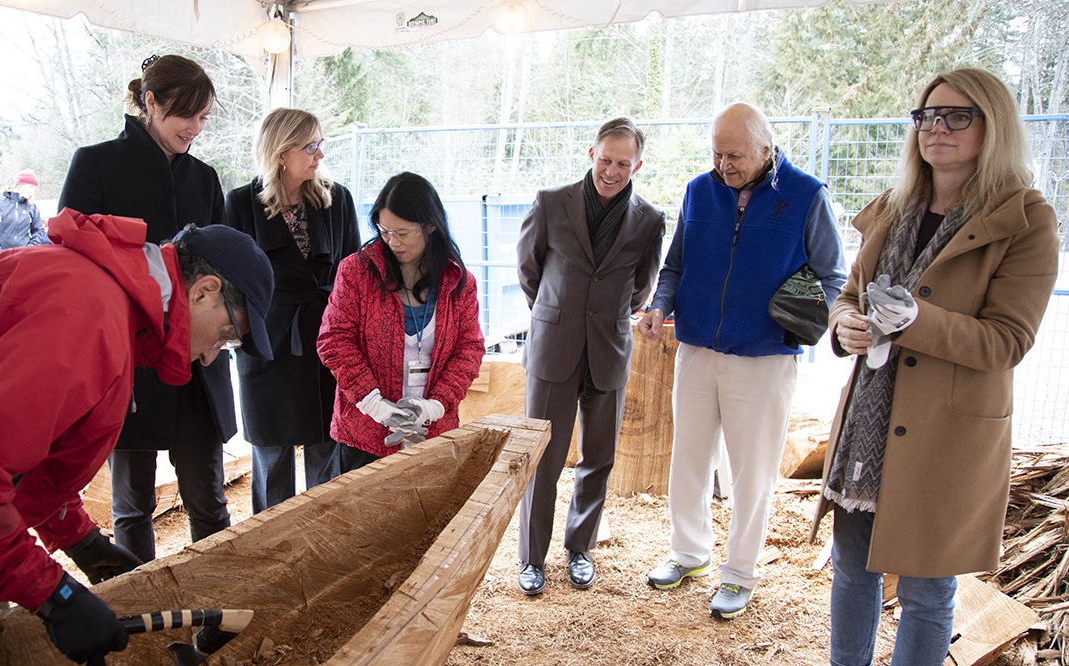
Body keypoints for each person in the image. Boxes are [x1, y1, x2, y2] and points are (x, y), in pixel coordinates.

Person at [775, 69, 1058, 666]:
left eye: (957, 117)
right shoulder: (898, 206)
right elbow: (850, 292)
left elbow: (1009, 341)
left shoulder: (1025, 219)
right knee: (852, 562)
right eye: (927, 116)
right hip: (870, 420)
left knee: (929, 587)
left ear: (993, 126)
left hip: (945, 432)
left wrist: (913, 323)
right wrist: (845, 323)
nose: (936, 128)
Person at [0, 211, 275, 666]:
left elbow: (27, 455)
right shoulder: (86, 315)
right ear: (204, 289)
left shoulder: (114, 309)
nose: (208, 356)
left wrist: (79, 539)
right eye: (225, 337)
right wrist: (55, 596)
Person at [637, 103, 847, 620]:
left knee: (753, 471)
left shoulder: (806, 195)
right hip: (697, 349)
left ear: (765, 149)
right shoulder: (698, 191)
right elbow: (675, 265)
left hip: (765, 357)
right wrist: (659, 305)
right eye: (716, 152)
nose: (724, 164)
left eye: (735, 155)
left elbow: (834, 277)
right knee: (688, 457)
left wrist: (799, 320)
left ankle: (739, 573)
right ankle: (689, 553)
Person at [59, 54, 235, 564]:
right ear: (151, 102)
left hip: (196, 361)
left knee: (209, 498)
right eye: (187, 116)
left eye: (204, 118)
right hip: (127, 359)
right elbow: (73, 261)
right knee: (131, 506)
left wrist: (218, 337)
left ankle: (215, 610)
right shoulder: (95, 164)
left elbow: (226, 268)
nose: (196, 129)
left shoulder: (204, 178)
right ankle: (140, 618)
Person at [516, 118, 665, 596]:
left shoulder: (649, 219)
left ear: (637, 165)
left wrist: (607, 317)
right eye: (606, 159)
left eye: (624, 163)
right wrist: (557, 314)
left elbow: (642, 285)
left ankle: (579, 548)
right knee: (544, 456)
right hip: (554, 347)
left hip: (609, 348)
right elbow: (529, 269)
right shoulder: (551, 202)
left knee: (598, 457)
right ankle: (531, 559)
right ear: (591, 154)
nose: (613, 171)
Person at [225, 109, 360, 513]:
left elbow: (352, 273)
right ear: (281, 152)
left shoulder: (337, 199)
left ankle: (325, 545)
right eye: (311, 145)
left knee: (326, 451)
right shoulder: (239, 203)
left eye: (321, 144)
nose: (320, 154)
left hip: (324, 338)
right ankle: (269, 552)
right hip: (267, 343)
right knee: (271, 457)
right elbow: (229, 283)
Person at [316, 171, 485, 473]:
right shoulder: (357, 272)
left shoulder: (458, 281)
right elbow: (334, 340)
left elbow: (469, 350)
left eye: (403, 233)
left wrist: (435, 406)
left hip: (433, 432)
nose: (392, 242)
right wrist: (374, 405)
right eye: (384, 231)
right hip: (364, 433)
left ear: (431, 225)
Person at [0, 170, 48, 251]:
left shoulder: (31, 206)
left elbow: (38, 230)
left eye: (34, 188)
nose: (32, 191)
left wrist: (30, 247)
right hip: (0, 254)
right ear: (21, 185)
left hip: (23, 255)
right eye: (31, 187)